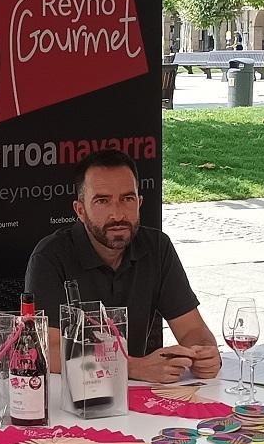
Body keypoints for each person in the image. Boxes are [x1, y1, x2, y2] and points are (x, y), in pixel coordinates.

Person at [24, 149, 222, 384]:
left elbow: (191, 328)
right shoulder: (50, 256)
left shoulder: (157, 247)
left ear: (139, 203)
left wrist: (204, 352)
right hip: (75, 397)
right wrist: (133, 367)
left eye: (127, 199)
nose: (117, 214)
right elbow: (48, 351)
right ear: (80, 210)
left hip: (140, 396)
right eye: (102, 201)